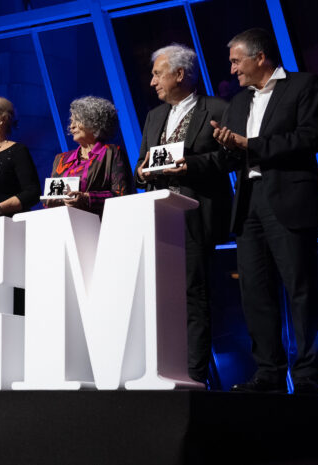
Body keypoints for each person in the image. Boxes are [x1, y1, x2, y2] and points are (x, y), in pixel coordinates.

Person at [211, 28, 318, 394]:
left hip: (288, 198)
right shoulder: (240, 102)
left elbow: (311, 138)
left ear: (260, 57)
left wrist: (252, 144)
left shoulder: (303, 86)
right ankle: (269, 372)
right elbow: (233, 156)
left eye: (236, 61)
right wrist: (228, 146)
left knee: (299, 287)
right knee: (255, 291)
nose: (232, 70)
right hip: (249, 202)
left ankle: (307, 374)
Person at [135, 44, 232, 385]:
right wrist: (142, 173)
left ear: (180, 74)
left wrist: (190, 165)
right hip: (158, 217)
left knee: (193, 294)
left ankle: (193, 374)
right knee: (157, 297)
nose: (152, 82)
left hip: (195, 214)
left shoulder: (218, 108)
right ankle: (158, 370)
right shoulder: (154, 116)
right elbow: (142, 163)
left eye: (157, 74)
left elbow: (229, 158)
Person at [45, 96, 133, 215]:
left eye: (77, 120)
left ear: (94, 121)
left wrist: (86, 198)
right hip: (65, 224)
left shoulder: (111, 153)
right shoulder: (60, 159)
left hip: (100, 223)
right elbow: (48, 201)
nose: (72, 126)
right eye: (71, 122)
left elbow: (121, 196)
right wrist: (50, 200)